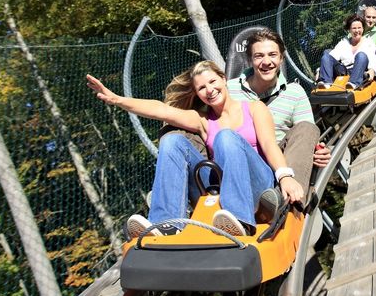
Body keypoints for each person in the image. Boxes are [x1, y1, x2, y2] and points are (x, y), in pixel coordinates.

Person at [86, 61, 304, 238]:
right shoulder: (204, 121)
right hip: (221, 191)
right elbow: (160, 110)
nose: (209, 90)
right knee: (171, 141)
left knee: (226, 137)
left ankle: (239, 220)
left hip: (258, 186)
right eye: (201, 88)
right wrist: (117, 99)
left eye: (212, 81)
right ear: (198, 94)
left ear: (224, 79)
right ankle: (165, 223)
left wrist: (285, 176)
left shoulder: (255, 108)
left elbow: (268, 144)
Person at [227, 28, 330, 191]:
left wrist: (318, 152)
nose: (266, 62)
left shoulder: (294, 92)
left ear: (281, 58)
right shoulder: (228, 90)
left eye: (272, 55)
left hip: (282, 163)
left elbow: (307, 137)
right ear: (250, 60)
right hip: (243, 160)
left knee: (307, 128)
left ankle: (288, 202)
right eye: (259, 56)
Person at [316, 13, 376, 91]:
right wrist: (319, 70)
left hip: (359, 70)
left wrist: (372, 70)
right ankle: (326, 83)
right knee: (326, 56)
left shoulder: (368, 42)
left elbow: (372, 57)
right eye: (354, 28)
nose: (357, 30)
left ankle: (354, 83)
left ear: (363, 29)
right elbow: (331, 57)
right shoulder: (344, 43)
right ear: (349, 30)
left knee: (361, 55)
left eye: (359, 28)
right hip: (344, 71)